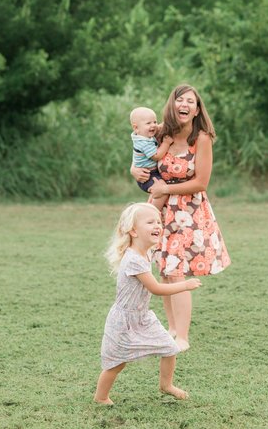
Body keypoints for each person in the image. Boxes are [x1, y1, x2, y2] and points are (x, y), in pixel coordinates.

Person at [131, 85, 231, 352]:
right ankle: (172, 329)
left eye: (191, 101)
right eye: (180, 100)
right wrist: (134, 170)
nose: (185, 104)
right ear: (173, 105)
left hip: (189, 213)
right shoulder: (161, 131)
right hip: (160, 212)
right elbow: (139, 148)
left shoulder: (202, 138)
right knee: (165, 272)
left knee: (177, 273)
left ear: (197, 110)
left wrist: (166, 189)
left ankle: (182, 336)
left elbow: (201, 182)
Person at [94, 202, 201, 405]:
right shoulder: (134, 259)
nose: (158, 226)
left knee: (170, 349)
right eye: (150, 222)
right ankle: (101, 397)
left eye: (159, 222)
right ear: (133, 230)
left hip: (142, 318)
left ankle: (166, 385)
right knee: (116, 364)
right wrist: (185, 285)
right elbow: (157, 289)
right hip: (124, 321)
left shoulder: (146, 252)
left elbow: (164, 245)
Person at [130, 107, 173, 210]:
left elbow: (161, 126)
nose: (153, 125)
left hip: (152, 172)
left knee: (161, 188)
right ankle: (154, 212)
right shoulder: (143, 142)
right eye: (148, 123)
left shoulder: (143, 134)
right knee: (161, 189)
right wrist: (166, 143)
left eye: (155, 121)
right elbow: (156, 156)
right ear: (136, 128)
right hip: (148, 176)